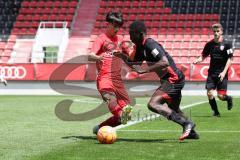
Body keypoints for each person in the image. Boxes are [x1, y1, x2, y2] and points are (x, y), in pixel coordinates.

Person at [115, 20, 199, 140]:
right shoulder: (140, 47)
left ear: (140, 33)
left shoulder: (150, 44)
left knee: (153, 104)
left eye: (132, 34)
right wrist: (123, 56)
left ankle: (186, 124)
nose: (130, 37)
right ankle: (192, 132)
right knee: (174, 109)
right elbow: (135, 65)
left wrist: (146, 69)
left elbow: (164, 62)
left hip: (173, 79)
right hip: (169, 80)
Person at [88, 11, 133, 134]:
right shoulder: (101, 39)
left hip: (117, 80)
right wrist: (98, 58)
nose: (117, 29)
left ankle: (99, 128)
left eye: (119, 26)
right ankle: (117, 115)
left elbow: (128, 56)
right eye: (115, 26)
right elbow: (90, 56)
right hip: (104, 77)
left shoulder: (120, 39)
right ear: (108, 24)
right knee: (111, 100)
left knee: (126, 114)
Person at [193, 23, 233, 117]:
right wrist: (198, 60)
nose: (215, 33)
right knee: (210, 93)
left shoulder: (227, 44)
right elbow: (203, 55)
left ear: (221, 32)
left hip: (222, 73)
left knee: (221, 96)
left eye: (217, 31)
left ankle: (228, 99)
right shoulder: (209, 44)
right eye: (214, 31)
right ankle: (216, 112)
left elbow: (230, 59)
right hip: (211, 73)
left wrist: (224, 72)